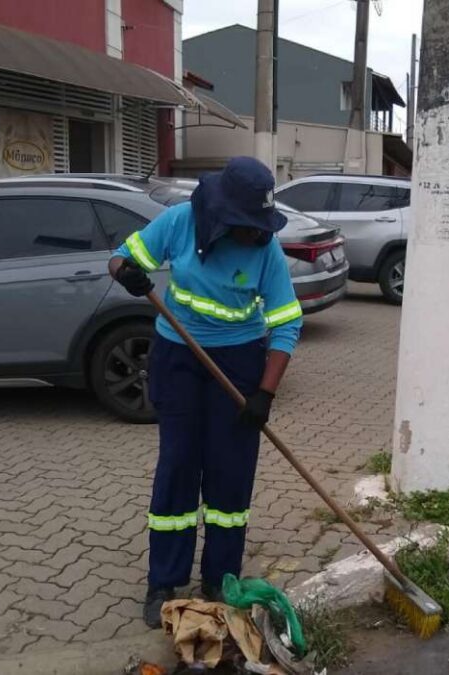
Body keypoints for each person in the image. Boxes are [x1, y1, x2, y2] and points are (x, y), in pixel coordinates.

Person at [107, 156, 304, 628]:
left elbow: (286, 323)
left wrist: (265, 394)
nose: (258, 233)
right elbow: (119, 257)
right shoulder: (180, 222)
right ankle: (164, 581)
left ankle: (220, 577)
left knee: (230, 473)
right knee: (178, 465)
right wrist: (126, 273)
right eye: (249, 225)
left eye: (263, 224)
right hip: (177, 358)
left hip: (238, 366)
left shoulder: (266, 250)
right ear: (223, 215)